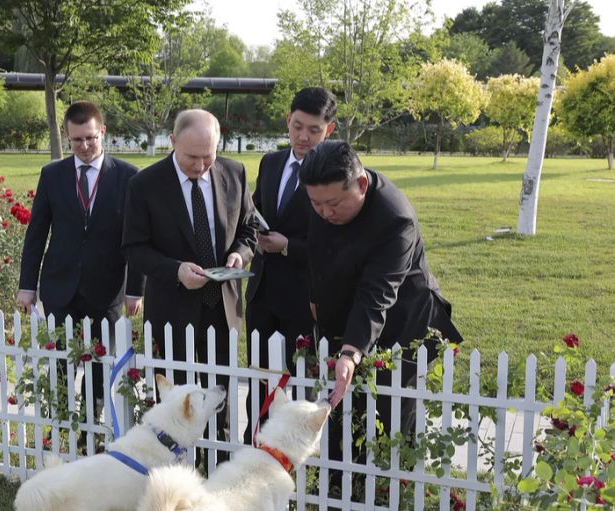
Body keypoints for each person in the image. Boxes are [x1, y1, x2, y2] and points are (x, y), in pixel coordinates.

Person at [300, 140, 463, 473]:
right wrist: (316, 300)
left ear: (360, 185)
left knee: (393, 416)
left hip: (403, 324)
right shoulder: (323, 198)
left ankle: (395, 491)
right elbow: (317, 252)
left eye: (333, 204)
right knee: (343, 411)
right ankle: (342, 490)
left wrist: (351, 351)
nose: (324, 213)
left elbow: (378, 293)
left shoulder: (395, 219)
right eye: (316, 204)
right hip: (350, 317)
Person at [122, 109, 257, 461]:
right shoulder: (145, 184)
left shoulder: (234, 172)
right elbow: (134, 249)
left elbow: (249, 229)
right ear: (173, 142)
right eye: (191, 157)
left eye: (207, 156)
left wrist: (240, 255)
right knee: (177, 402)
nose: (200, 166)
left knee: (220, 398)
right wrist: (175, 270)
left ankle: (220, 470)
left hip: (223, 308)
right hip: (172, 310)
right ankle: (179, 471)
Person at [17, 101, 143, 412]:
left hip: (107, 291)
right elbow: (36, 235)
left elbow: (138, 238)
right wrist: (27, 285)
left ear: (103, 132)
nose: (84, 146)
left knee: (99, 368)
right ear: (67, 137)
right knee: (62, 365)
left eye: (90, 137)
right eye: (76, 140)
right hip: (60, 288)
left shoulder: (129, 177)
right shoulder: (52, 175)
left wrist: (135, 289)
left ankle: (92, 435)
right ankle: (62, 429)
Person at [243, 87, 337, 444]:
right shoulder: (271, 162)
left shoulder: (335, 171)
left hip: (305, 295)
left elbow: (335, 243)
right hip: (262, 292)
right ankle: (255, 443)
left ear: (329, 130)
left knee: (299, 384)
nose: (303, 136)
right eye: (297, 126)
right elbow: (254, 211)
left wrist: (287, 247)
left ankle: (295, 452)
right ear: (288, 120)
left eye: (314, 130)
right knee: (261, 378)